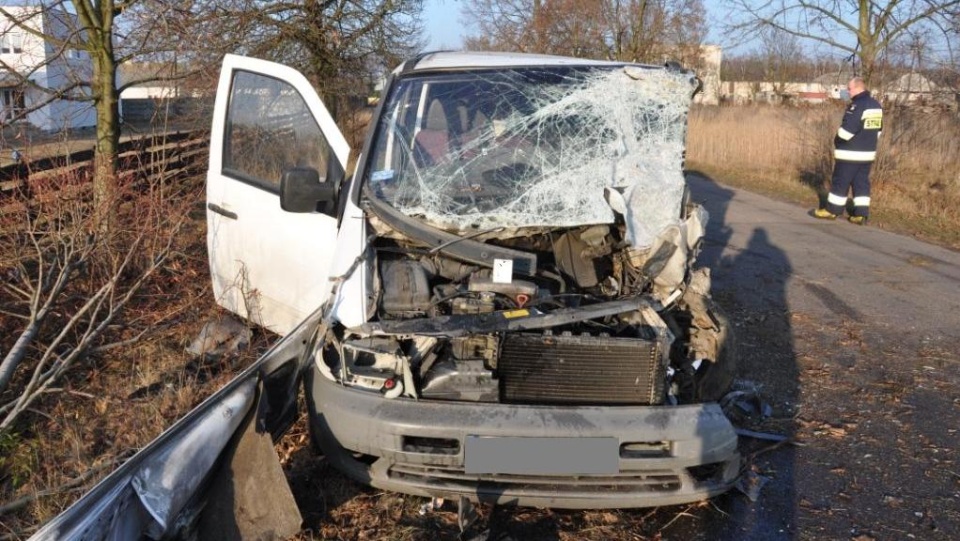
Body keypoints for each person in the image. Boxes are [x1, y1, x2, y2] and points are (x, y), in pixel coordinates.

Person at [813, 77, 883, 225]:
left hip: (850, 153)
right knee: (861, 183)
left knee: (840, 182)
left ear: (858, 88)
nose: (848, 92)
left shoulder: (857, 106)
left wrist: (837, 141)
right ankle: (861, 214)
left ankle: (832, 211)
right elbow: (878, 130)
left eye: (849, 89)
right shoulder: (876, 105)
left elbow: (847, 130)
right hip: (868, 153)